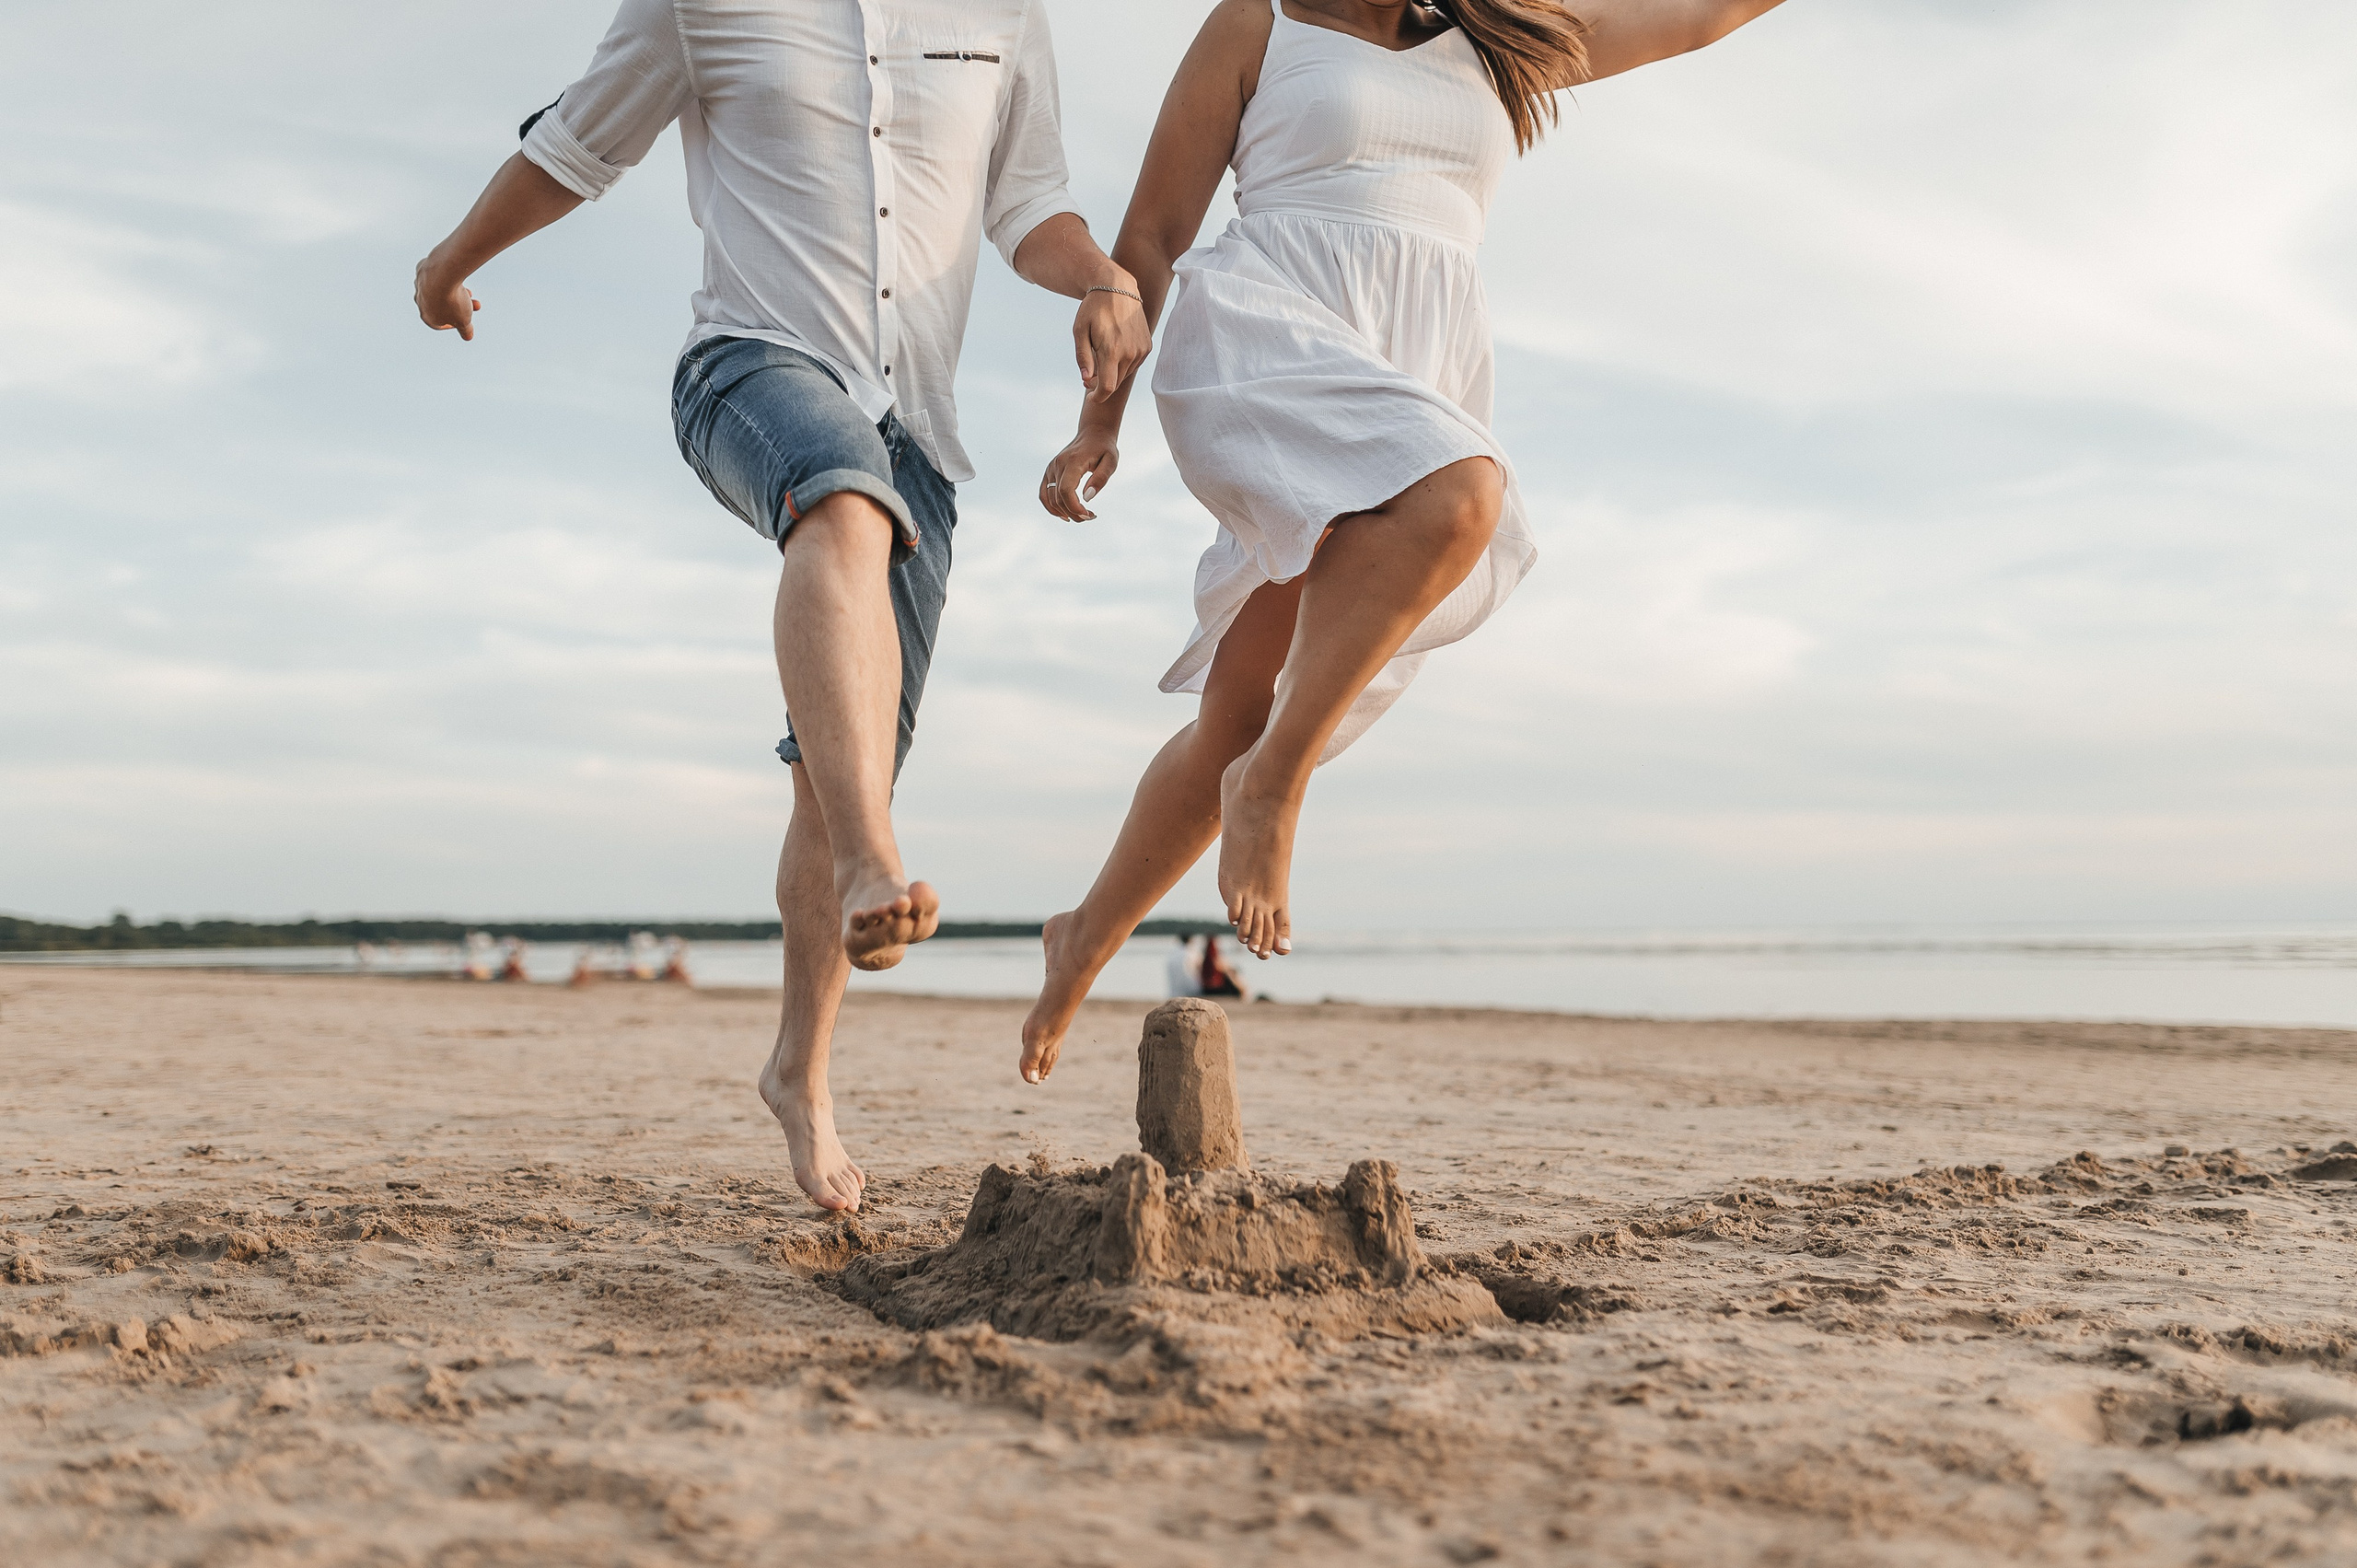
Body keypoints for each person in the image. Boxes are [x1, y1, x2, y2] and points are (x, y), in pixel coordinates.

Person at [413, 0, 1151, 1208]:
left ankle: (797, 1073)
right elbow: (575, 150)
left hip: (918, 427)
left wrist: (1103, 275)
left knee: (841, 757)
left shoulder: (1005, 15)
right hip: (748, 368)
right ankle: (874, 859)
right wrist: (450, 263)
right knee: (841, 506)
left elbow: (1028, 209)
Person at [1018, 0, 1787, 1081]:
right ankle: (1275, 785)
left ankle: (1083, 933)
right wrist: (1102, 415)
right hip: (1266, 329)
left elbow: (1697, 17)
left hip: (1411, 359)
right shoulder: (1260, 22)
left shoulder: (1497, 38)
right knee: (1462, 498)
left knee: (1239, 707)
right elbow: (1149, 234)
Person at [1199, 934, 1245, 998]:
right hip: (1217, 988)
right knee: (1231, 974)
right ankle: (1243, 994)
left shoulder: (1206, 957)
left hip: (1207, 988)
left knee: (1231, 973)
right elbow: (1218, 966)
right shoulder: (1213, 955)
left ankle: (1242, 993)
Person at [1165, 934, 1206, 998]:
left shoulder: (1173, 953)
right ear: (1191, 940)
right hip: (1192, 989)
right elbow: (1201, 966)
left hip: (1175, 991)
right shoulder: (1193, 952)